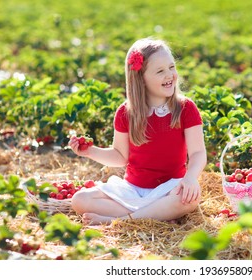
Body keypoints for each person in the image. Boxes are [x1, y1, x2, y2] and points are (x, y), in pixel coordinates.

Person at [68, 37, 207, 225]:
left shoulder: (185, 108)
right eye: (160, 71)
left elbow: (198, 152)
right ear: (141, 79)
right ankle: (156, 215)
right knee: (80, 200)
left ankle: (117, 221)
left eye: (171, 67)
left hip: (169, 189)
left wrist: (190, 178)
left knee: (188, 199)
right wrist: (90, 151)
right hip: (132, 190)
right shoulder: (126, 113)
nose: (170, 75)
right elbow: (119, 156)